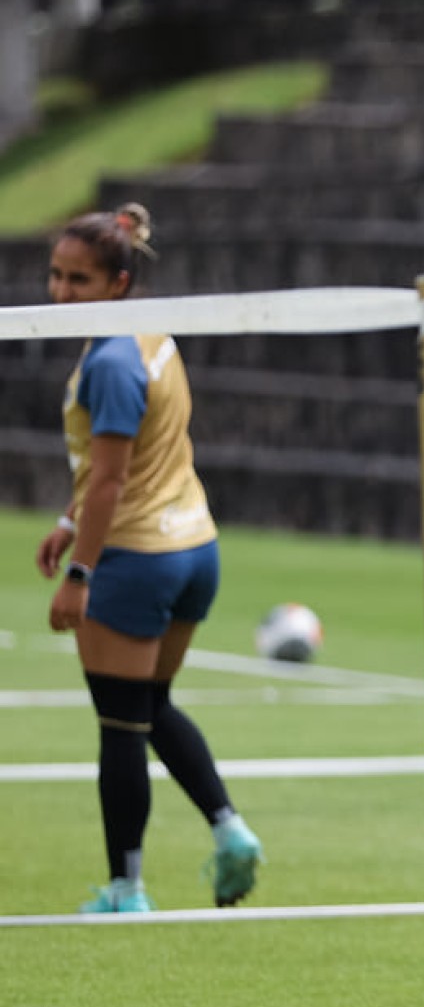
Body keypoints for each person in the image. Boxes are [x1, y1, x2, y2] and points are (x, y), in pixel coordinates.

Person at [35, 203, 264, 914]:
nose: (61, 292)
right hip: (195, 548)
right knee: (151, 705)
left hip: (136, 560)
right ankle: (230, 831)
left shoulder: (109, 362)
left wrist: (80, 574)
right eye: (56, 275)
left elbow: (110, 480)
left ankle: (126, 888)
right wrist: (69, 519)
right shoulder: (150, 332)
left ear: (119, 282)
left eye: (79, 280)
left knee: (120, 725)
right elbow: (129, 459)